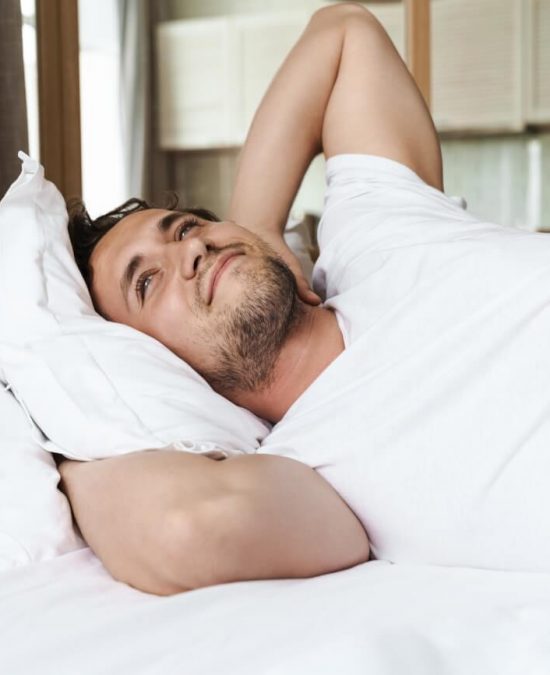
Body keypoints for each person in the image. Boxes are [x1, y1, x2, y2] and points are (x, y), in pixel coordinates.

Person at [59, 3, 460, 595]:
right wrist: (70, 449)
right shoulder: (314, 466)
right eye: (146, 283)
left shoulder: (383, 237)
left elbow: (345, 30)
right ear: (150, 360)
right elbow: (185, 528)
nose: (193, 248)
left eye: (187, 226)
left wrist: (258, 228)